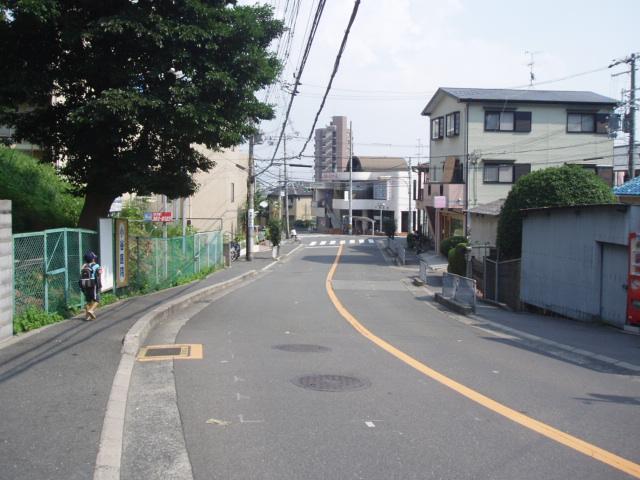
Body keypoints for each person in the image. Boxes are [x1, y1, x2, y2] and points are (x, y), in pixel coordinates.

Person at [79, 251, 102, 320]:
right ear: (93, 259)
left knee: (88, 301)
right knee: (96, 300)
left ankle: (87, 316)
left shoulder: (84, 266)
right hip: (93, 284)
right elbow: (100, 273)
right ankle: (91, 310)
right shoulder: (97, 266)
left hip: (84, 285)